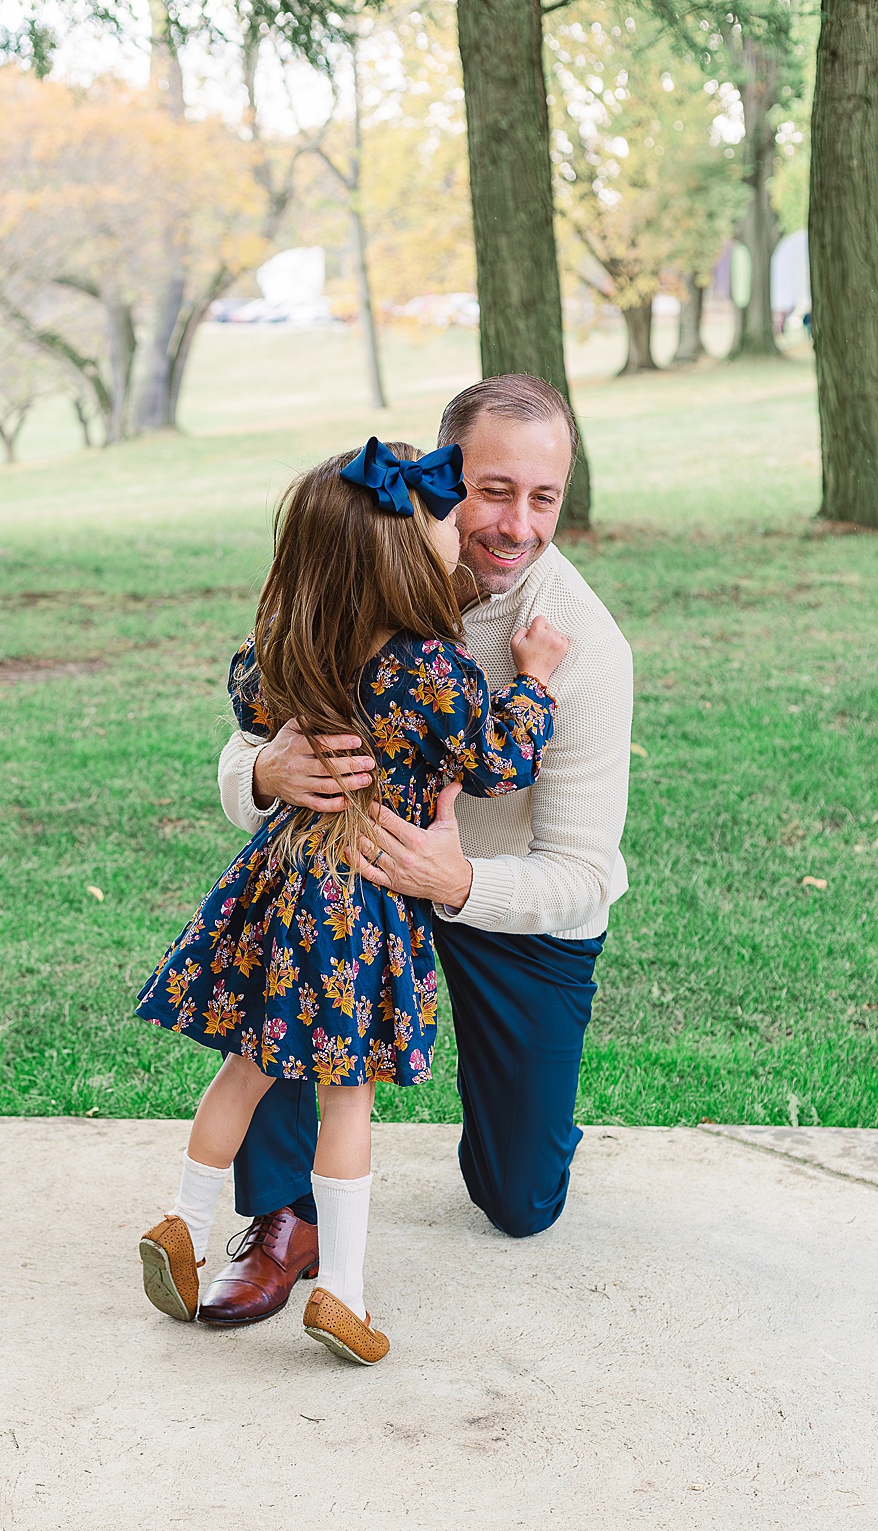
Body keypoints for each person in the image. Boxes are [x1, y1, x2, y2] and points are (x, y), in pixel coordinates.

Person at [204, 374, 634, 1329]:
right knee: (288, 979)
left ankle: (524, 1134)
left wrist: (458, 880)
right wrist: (266, 775)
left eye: (544, 498)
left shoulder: (583, 648)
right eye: (491, 489)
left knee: (520, 1200)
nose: (516, 525)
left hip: (502, 895)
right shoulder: (362, 554)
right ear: (441, 477)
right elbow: (251, 723)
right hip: (349, 881)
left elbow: (584, 872)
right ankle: (284, 1217)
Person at [135, 437, 567, 1365]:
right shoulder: (436, 673)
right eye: (445, 522)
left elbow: (250, 703)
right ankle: (342, 1292)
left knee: (244, 1071)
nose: (459, 533)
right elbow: (496, 763)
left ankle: (181, 1222)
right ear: (409, 554)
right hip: (360, 906)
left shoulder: (287, 645)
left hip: (279, 878)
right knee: (346, 1104)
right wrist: (532, 681)